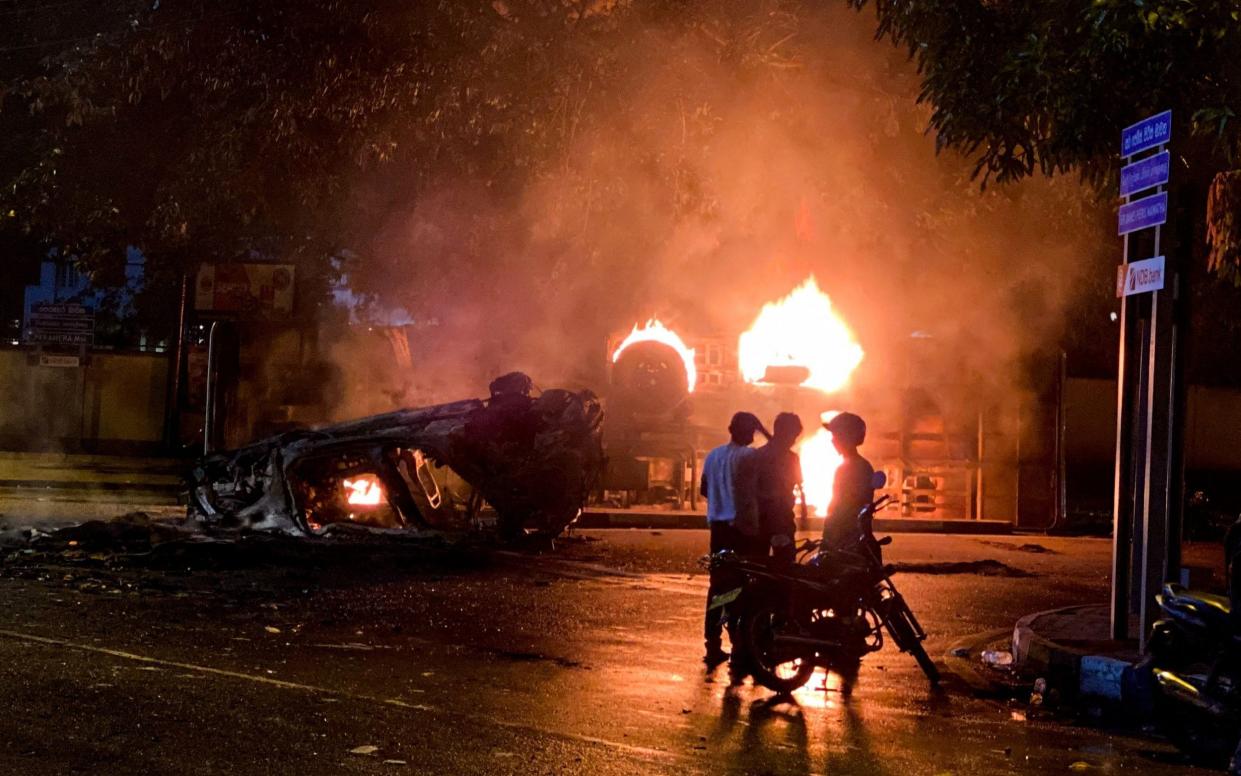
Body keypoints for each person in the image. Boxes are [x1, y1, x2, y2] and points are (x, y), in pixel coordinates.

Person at [700, 411, 765, 668]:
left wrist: (720, 496)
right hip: (740, 530)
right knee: (740, 587)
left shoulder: (714, 455)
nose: (752, 436)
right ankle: (739, 644)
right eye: (751, 431)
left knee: (718, 586)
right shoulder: (750, 456)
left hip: (717, 529)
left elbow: (704, 489)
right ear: (744, 432)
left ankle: (713, 643)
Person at [756, 412, 808, 566]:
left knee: (759, 562)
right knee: (785, 564)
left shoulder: (760, 455)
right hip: (780, 520)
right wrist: (803, 510)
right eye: (793, 436)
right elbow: (799, 485)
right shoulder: (791, 458)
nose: (793, 441)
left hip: (765, 519)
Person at [821, 412, 875, 550]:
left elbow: (842, 504)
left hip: (845, 536)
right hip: (847, 534)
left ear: (846, 437)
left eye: (835, 436)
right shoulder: (859, 465)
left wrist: (830, 533)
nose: (832, 440)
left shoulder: (852, 467)